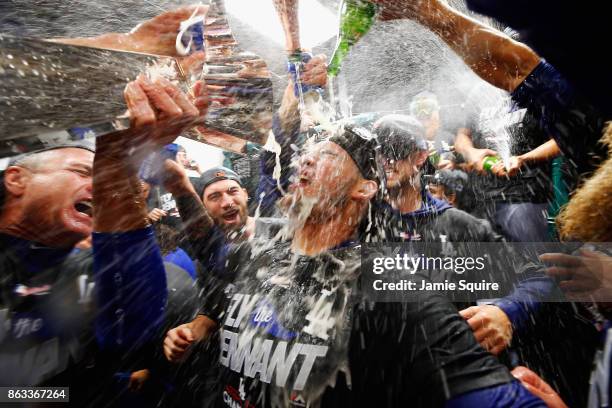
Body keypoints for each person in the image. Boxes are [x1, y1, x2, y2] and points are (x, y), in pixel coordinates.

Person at [163, 125, 546, 407]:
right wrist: (180, 185)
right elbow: (212, 249)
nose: (306, 159)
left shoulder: (404, 269)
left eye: (326, 156)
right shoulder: (272, 246)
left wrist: (506, 309)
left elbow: (544, 275)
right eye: (307, 155)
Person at [0, 71, 206, 404]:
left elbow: (136, 328)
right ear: (16, 179)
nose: (97, 186)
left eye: (98, 175)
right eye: (81, 172)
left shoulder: (86, 266)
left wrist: (116, 166)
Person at [370, 0, 608, 179]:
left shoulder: (590, 98)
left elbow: (516, 67)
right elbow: (515, 68)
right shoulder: (479, 94)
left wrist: (425, 10)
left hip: (532, 194)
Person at [372, 114, 500, 243]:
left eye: (395, 149)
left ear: (421, 156)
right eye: (377, 151)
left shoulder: (459, 226)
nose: (385, 160)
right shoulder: (365, 219)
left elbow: (509, 260)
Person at [454, 98, 560, 242]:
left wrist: (524, 159)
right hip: (482, 200)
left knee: (535, 260)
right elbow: (462, 136)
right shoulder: (477, 91)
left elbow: (561, 140)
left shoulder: (536, 89)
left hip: (527, 199)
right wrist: (470, 152)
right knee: (484, 261)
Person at [409, 91, 456, 172]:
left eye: (428, 107)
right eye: (416, 109)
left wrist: (453, 164)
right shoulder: (407, 142)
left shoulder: (450, 139)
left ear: (439, 116)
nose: (422, 115)